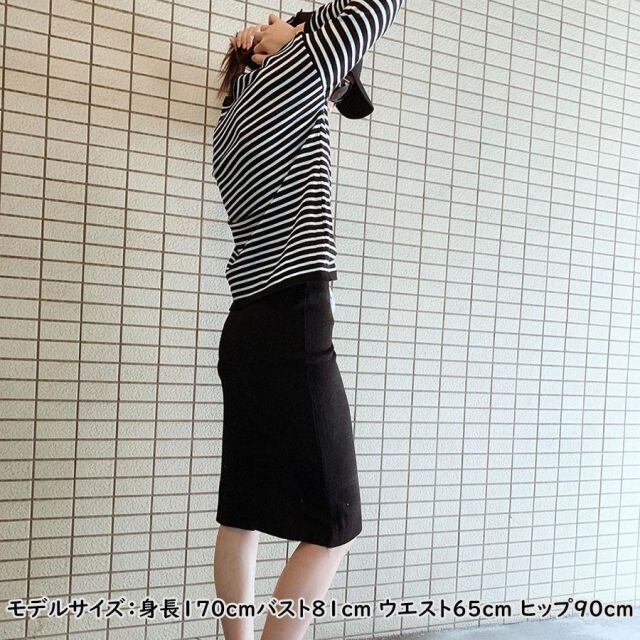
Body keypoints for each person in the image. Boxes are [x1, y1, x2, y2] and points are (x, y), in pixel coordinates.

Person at [211, 2, 404, 639]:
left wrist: (285, 38)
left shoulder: (228, 123)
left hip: (245, 327)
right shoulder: (297, 72)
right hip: (294, 319)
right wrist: (298, 32)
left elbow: (347, 98)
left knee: (241, 511)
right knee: (335, 524)